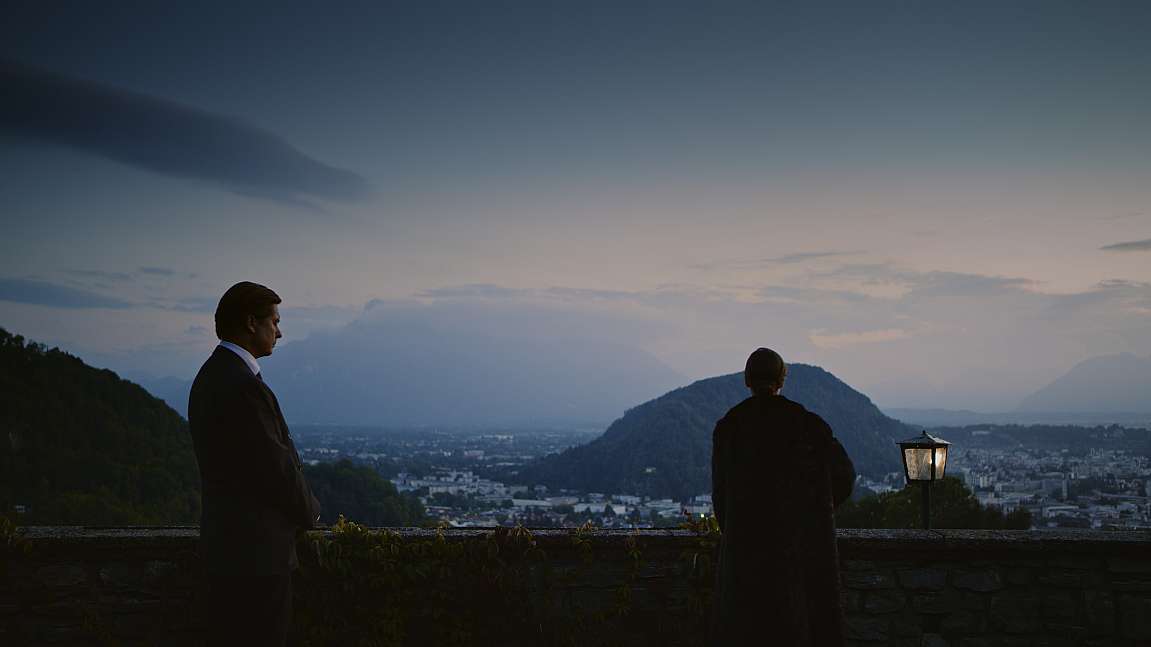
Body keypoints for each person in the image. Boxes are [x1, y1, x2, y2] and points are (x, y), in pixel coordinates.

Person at [188, 282, 321, 646]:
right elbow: (275, 466)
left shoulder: (210, 377)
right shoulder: (242, 385)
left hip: (226, 549)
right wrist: (311, 513)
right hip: (257, 559)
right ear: (251, 322)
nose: (279, 331)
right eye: (274, 321)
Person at [710, 348, 855, 646]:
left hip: (745, 560)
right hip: (799, 555)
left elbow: (721, 498)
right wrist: (814, 513)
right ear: (782, 380)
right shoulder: (808, 425)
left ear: (747, 380)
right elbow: (845, 476)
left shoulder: (730, 428)